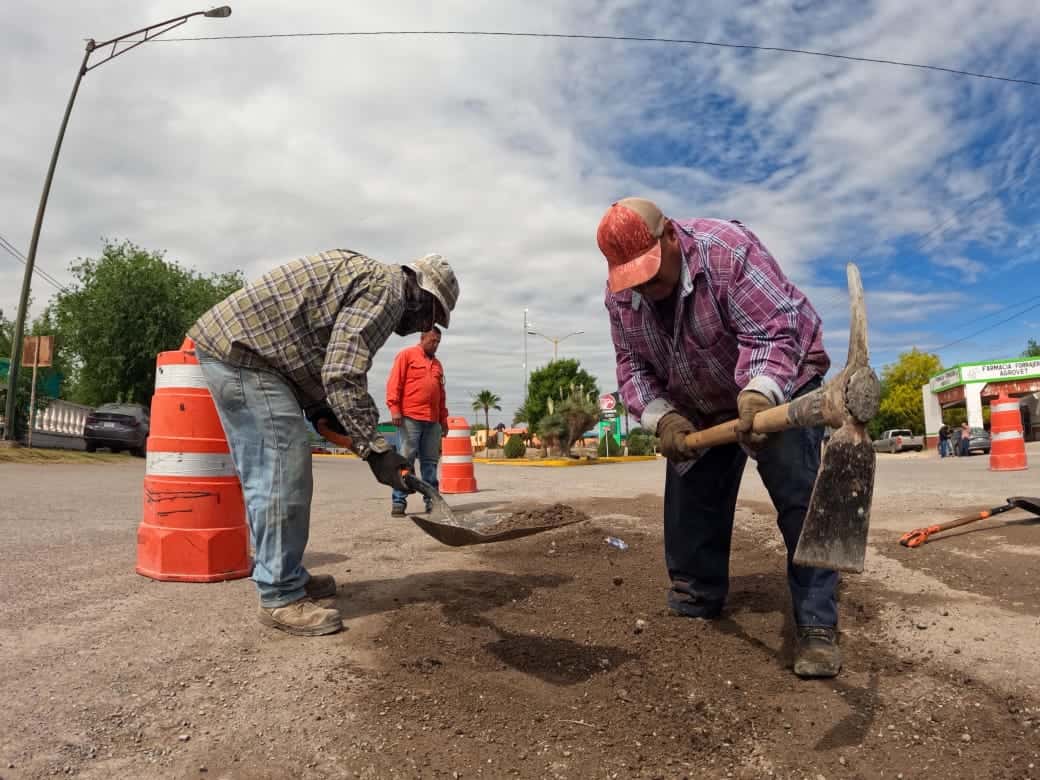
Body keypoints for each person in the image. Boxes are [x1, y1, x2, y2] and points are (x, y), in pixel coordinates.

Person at [597, 198, 841, 678]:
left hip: (781, 380)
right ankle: (697, 592)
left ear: (670, 235)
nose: (645, 287)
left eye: (651, 272)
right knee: (691, 498)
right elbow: (631, 366)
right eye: (633, 280)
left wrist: (757, 394)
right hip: (698, 398)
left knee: (798, 493)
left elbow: (774, 333)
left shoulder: (727, 251)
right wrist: (661, 416)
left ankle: (816, 621)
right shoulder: (621, 294)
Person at [188, 251, 459, 636]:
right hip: (242, 354)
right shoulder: (387, 293)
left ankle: (287, 573)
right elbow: (343, 373)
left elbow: (313, 349)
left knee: (284, 468)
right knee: (282, 469)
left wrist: (319, 409)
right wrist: (375, 449)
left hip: (255, 355)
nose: (426, 325)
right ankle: (280, 594)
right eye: (432, 314)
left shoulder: (373, 281)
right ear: (421, 292)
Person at [385, 328, 449, 516]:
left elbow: (441, 395)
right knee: (405, 461)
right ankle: (399, 502)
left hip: (432, 421)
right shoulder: (406, 356)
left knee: (430, 463)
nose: (435, 344)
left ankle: (432, 502)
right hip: (410, 418)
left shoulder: (437, 365)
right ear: (422, 338)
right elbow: (394, 383)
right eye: (432, 340)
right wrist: (394, 408)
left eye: (438, 341)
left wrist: (443, 420)